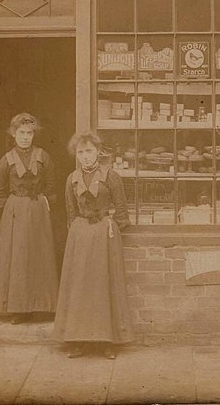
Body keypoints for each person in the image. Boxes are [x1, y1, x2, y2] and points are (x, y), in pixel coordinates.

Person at [53, 131, 134, 359]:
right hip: (80, 237)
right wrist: (79, 232)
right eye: (81, 152)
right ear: (76, 155)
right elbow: (70, 211)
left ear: (98, 151)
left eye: (89, 151)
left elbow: (121, 209)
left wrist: (112, 229)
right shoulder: (71, 179)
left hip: (104, 236)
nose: (86, 156)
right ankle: (78, 341)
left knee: (104, 286)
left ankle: (107, 342)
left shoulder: (111, 176)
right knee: (80, 287)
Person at [0, 113, 58, 324]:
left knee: (39, 253)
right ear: (13, 134)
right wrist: (13, 208)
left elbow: (51, 184)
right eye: (21, 133)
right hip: (15, 212)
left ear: (34, 134)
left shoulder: (43, 156)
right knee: (17, 257)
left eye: (29, 133)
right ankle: (17, 309)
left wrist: (41, 202)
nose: (25, 137)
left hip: (37, 210)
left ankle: (40, 306)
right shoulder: (6, 160)